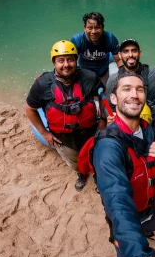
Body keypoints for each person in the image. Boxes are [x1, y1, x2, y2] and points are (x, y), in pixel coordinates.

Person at [93, 71, 155, 257]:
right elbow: (118, 203)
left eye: (139, 89)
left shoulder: (149, 131)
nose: (134, 95)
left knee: (153, 224)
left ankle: (147, 231)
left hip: (151, 206)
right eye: (126, 89)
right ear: (113, 98)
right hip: (129, 216)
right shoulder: (109, 146)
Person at [25, 40, 105, 191]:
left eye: (70, 59)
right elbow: (30, 109)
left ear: (76, 60)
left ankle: (97, 174)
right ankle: (81, 174)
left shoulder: (89, 77)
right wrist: (44, 132)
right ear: (54, 62)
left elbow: (101, 97)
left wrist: (102, 119)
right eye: (61, 60)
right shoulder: (42, 84)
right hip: (63, 137)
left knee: (96, 155)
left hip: (90, 131)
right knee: (75, 162)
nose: (66, 64)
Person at [71, 12, 121, 85]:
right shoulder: (77, 40)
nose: (93, 32)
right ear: (84, 28)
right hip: (83, 72)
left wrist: (124, 76)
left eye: (97, 27)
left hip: (102, 72)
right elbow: (71, 61)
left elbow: (119, 60)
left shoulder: (110, 39)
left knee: (102, 93)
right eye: (90, 28)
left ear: (103, 28)